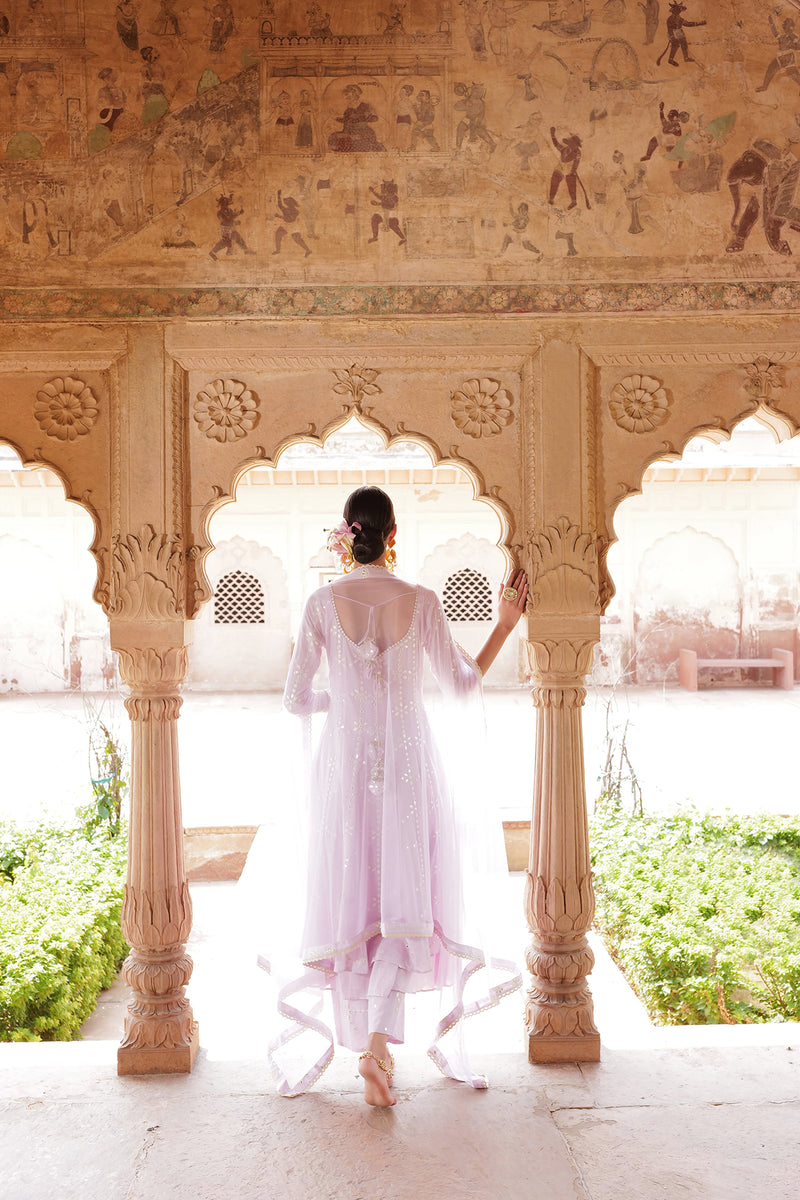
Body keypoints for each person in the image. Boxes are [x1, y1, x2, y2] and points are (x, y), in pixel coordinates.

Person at [261, 486, 528, 1107]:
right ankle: (378, 1044)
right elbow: (462, 685)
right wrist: (505, 625)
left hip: (346, 767)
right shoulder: (423, 601)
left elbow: (296, 699)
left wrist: (343, 704)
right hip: (409, 766)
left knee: (356, 897)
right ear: (393, 533)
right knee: (404, 897)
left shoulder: (322, 604)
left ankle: (373, 1047)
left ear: (346, 534)